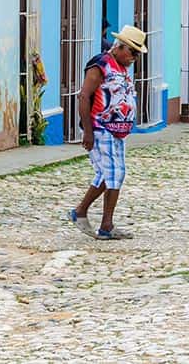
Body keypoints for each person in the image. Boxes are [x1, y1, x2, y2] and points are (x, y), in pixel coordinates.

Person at [69, 25, 146, 240]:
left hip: (116, 132)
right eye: (133, 52)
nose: (134, 58)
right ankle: (105, 225)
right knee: (116, 174)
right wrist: (88, 132)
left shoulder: (121, 68)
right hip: (101, 129)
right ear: (120, 47)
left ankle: (81, 212)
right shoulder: (100, 65)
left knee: (107, 174)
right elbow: (84, 96)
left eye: (138, 54)